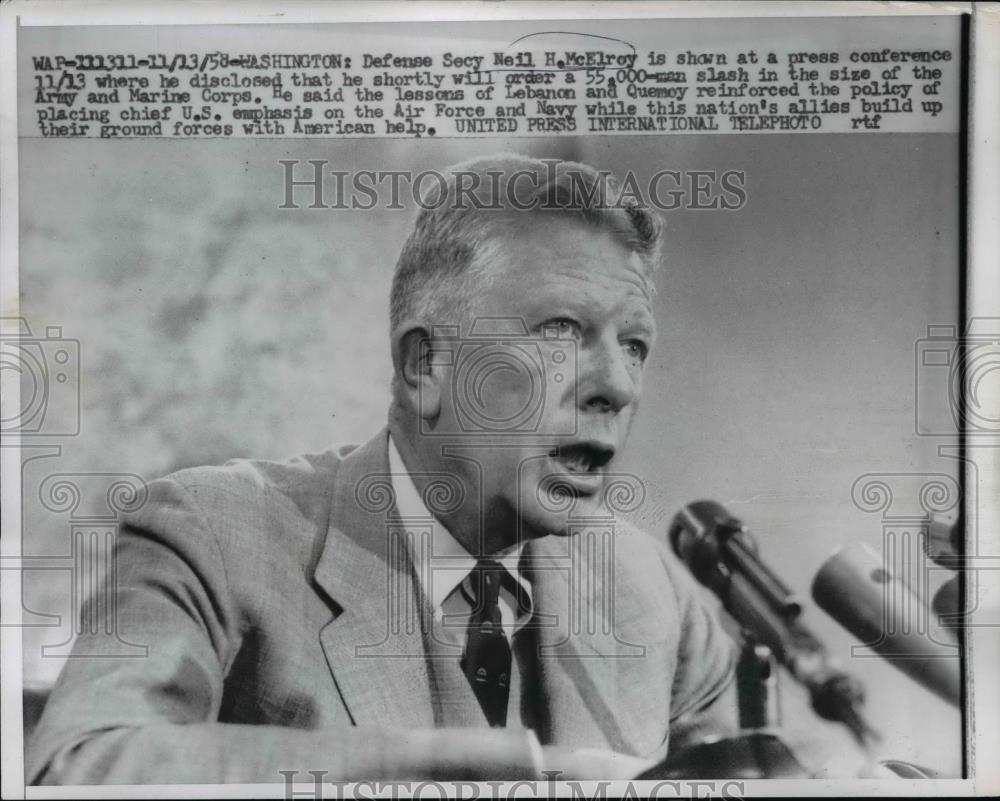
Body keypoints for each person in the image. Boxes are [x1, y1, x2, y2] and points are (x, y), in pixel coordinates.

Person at [27, 154, 737, 785]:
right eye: (561, 331)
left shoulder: (654, 596)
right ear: (425, 364)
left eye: (635, 345)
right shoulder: (212, 535)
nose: (618, 385)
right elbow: (84, 768)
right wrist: (502, 773)